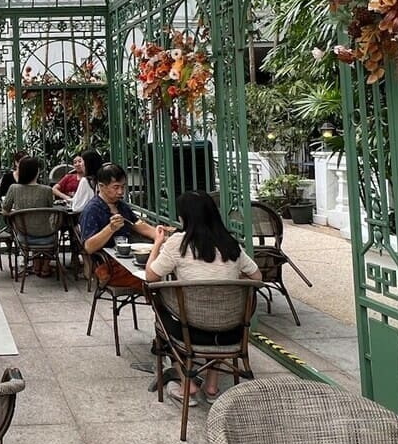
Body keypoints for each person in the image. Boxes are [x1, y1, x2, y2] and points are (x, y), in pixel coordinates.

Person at [144, 191, 262, 403]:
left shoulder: (178, 243)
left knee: (160, 309)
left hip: (191, 333)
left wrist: (157, 243)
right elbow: (257, 277)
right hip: (231, 332)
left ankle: (186, 385)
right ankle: (212, 385)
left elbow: (151, 276)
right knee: (216, 313)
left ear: (184, 218)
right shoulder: (231, 244)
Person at [80, 162, 164, 290]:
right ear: (101, 186)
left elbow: (137, 225)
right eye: (116, 187)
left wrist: (160, 235)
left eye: (123, 187)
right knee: (154, 280)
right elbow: (88, 247)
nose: (121, 192)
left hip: (129, 260)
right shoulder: (92, 210)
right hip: (107, 266)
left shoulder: (121, 206)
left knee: (162, 270)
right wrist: (110, 228)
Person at [3, 156, 60, 276]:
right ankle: (44, 267)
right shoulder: (47, 190)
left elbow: (5, 210)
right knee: (44, 226)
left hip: (24, 236)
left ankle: (36, 265)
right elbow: (50, 209)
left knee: (31, 226)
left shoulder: (14, 188)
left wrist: (16, 214)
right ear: (37, 171)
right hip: (47, 236)